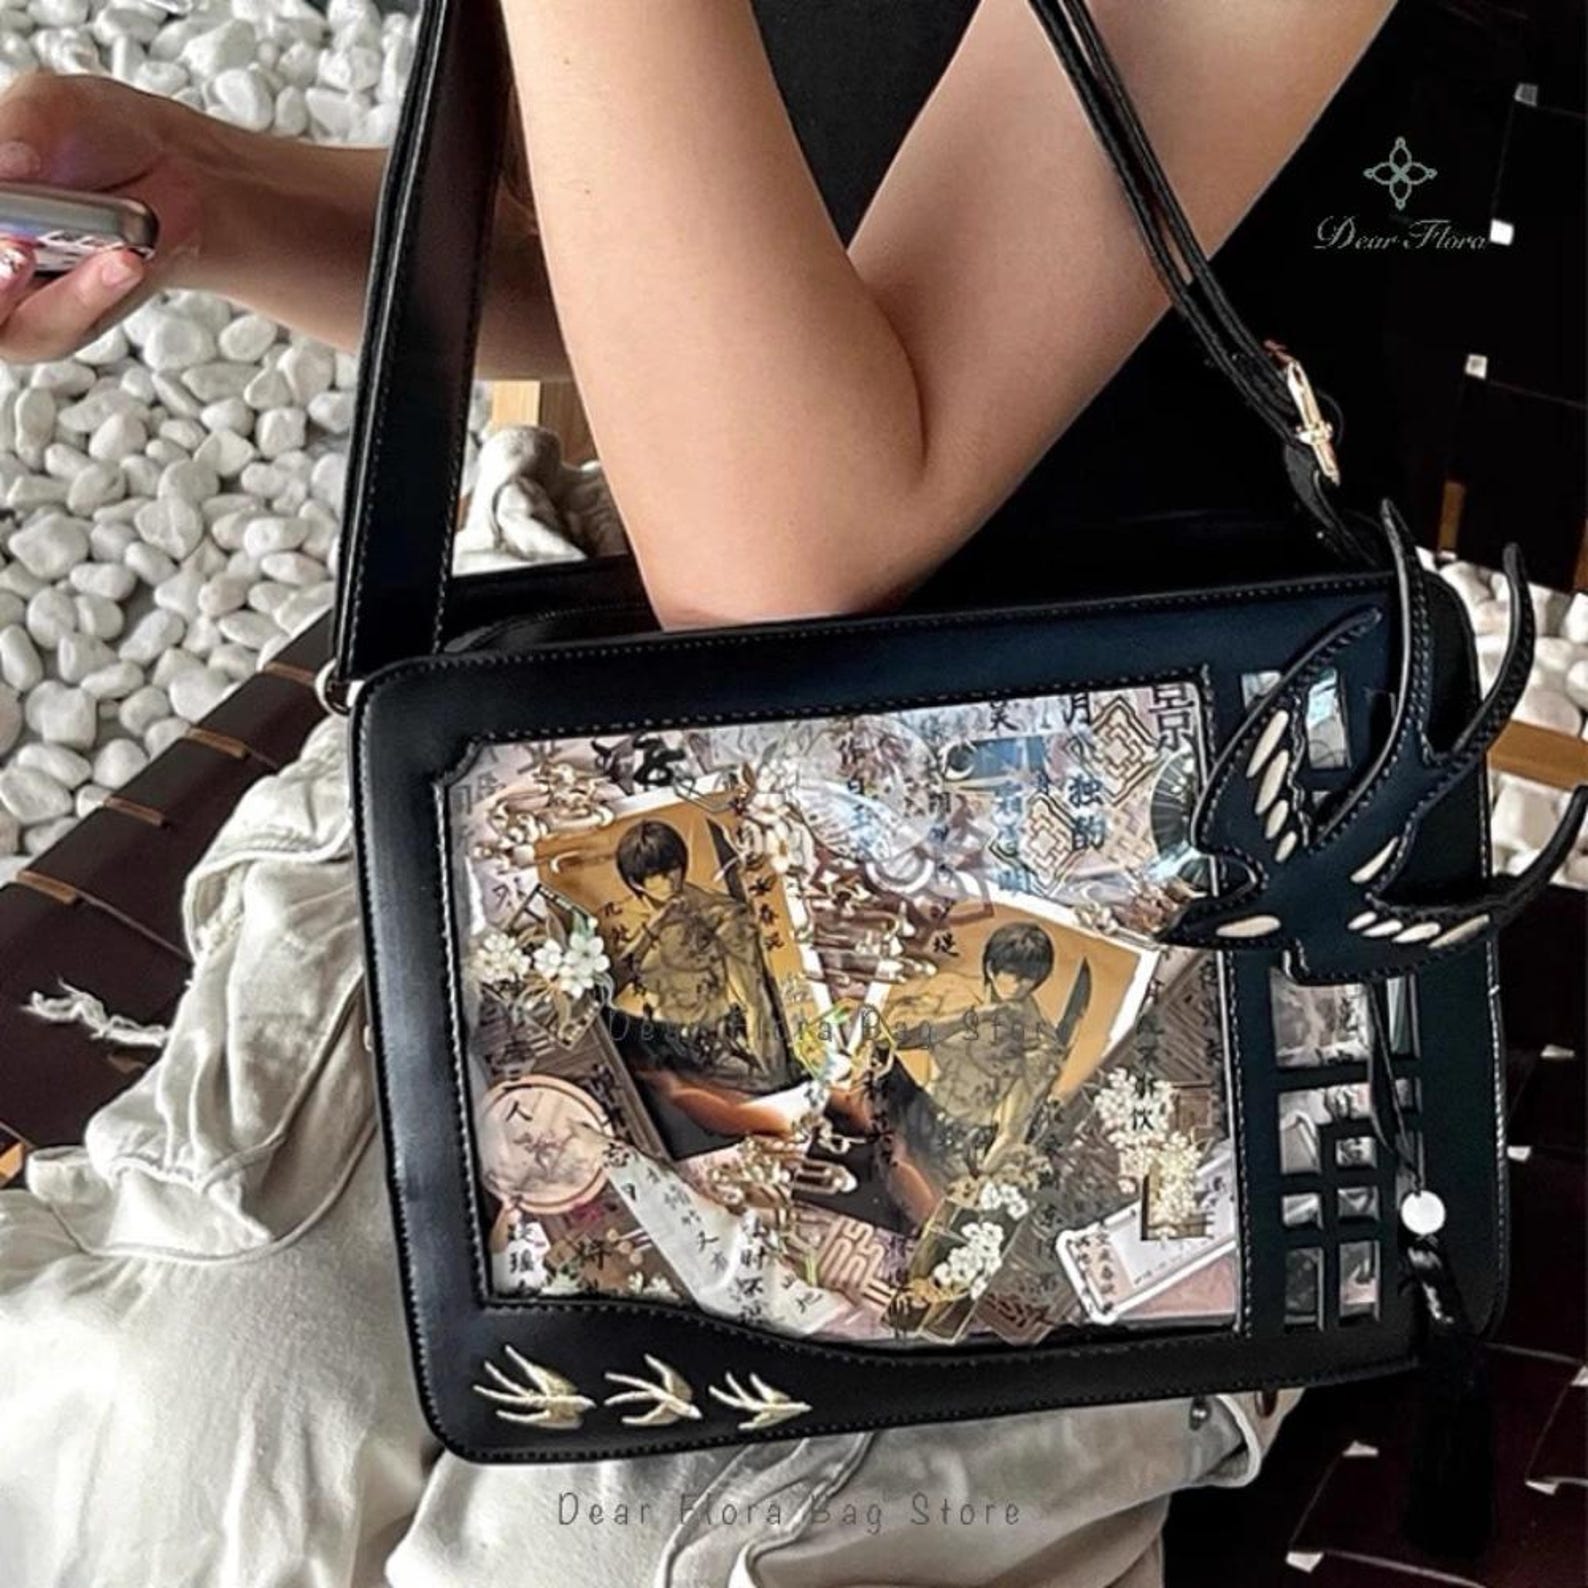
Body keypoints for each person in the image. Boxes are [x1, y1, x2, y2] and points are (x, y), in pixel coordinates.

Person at [0, 2, 1400, 1583]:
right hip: (607, 776)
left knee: (604, 1546)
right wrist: (207, 190)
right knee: (181, 1411)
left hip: (1141, 854)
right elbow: (624, 262)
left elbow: (785, 577)